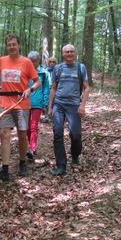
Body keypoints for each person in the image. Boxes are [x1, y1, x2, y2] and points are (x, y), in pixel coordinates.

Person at [0, 34, 40, 180]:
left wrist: (31, 89)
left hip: (21, 103)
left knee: (22, 134)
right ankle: (5, 169)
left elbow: (37, 81)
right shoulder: (1, 61)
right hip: (4, 102)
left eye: (14, 44)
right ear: (6, 46)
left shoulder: (27, 62)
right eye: (9, 44)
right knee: (4, 133)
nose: (12, 46)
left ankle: (22, 162)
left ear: (19, 45)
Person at [48, 44, 89, 176]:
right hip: (59, 105)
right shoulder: (58, 68)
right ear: (63, 54)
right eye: (67, 52)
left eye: (71, 52)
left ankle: (75, 155)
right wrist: (50, 107)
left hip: (74, 105)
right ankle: (61, 165)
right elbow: (53, 88)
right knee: (58, 133)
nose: (69, 54)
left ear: (74, 53)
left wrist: (82, 105)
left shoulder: (80, 67)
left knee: (75, 135)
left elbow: (86, 88)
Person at [26, 51, 49, 161]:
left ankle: (32, 148)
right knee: (26, 127)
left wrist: (45, 103)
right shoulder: (25, 71)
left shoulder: (44, 73)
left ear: (38, 61)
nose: (32, 63)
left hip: (37, 103)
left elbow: (46, 89)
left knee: (34, 126)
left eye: (34, 61)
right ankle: (30, 144)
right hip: (25, 103)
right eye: (31, 61)